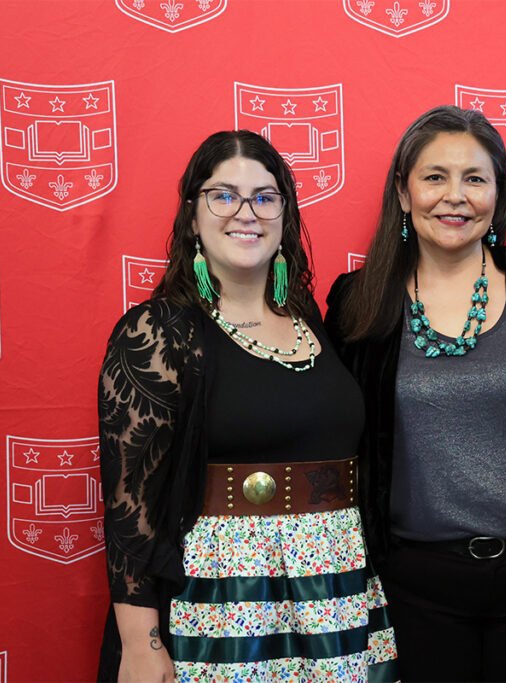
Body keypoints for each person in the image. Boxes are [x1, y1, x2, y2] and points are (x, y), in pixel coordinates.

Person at [96, 130, 397, 682]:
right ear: (192, 216)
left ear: (284, 215)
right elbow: (129, 508)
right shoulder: (159, 332)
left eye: (265, 196)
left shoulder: (315, 322)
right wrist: (141, 644)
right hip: (219, 603)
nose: (246, 213)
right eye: (223, 194)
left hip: (334, 592)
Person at [325, 105, 506, 681]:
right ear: (403, 193)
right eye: (434, 177)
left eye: (475, 178)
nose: (455, 196)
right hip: (414, 584)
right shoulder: (356, 301)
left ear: (498, 195)